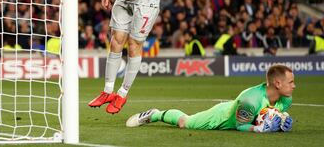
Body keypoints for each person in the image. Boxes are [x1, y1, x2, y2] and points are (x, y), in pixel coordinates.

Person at [126, 64, 294, 133]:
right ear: (277, 83)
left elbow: (266, 115)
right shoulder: (251, 100)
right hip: (220, 118)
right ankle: (155, 114)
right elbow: (240, 125)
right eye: (291, 82)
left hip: (236, 109)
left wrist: (280, 120)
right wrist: (258, 129)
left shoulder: (286, 99)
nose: (294, 86)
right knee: (185, 122)